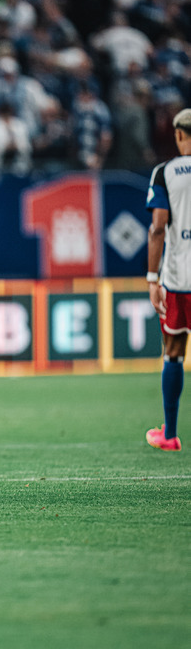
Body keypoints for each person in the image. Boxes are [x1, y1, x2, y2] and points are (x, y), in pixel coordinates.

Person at [145, 107, 191, 452]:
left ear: (178, 135)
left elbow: (158, 227)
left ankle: (171, 434)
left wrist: (151, 278)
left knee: (173, 351)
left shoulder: (166, 173)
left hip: (178, 278)